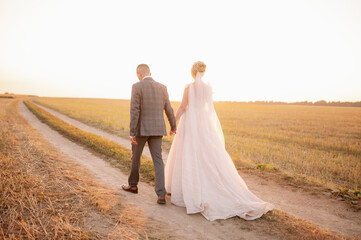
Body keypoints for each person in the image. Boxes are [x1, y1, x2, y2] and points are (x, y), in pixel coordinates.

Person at [164, 61, 274, 220]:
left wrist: (174, 123)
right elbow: (209, 109)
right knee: (208, 155)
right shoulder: (208, 88)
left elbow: (182, 106)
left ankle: (184, 189)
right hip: (204, 124)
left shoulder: (189, 87)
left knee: (187, 154)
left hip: (190, 123)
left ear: (193, 72)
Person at [122, 64, 176, 204]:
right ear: (150, 73)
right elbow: (168, 108)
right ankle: (161, 194)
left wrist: (132, 132)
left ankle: (133, 186)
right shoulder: (162, 87)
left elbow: (135, 111)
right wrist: (173, 126)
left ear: (139, 74)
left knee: (136, 157)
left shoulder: (137, 86)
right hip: (158, 129)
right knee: (158, 160)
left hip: (141, 130)